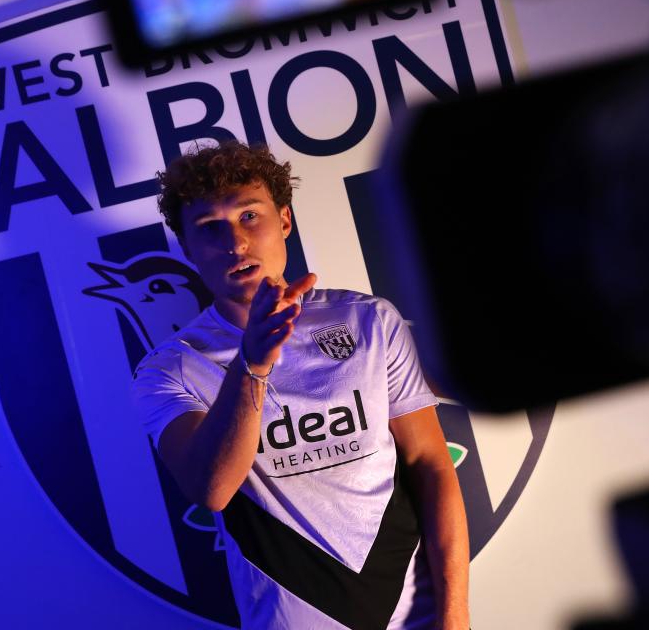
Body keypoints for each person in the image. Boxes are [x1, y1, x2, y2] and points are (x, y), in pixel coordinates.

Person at [131, 140, 470, 630]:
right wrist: (254, 363)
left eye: (250, 216)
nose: (236, 243)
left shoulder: (368, 320)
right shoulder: (170, 369)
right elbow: (212, 489)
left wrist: (455, 616)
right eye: (210, 228)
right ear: (186, 248)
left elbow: (431, 465)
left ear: (284, 220)